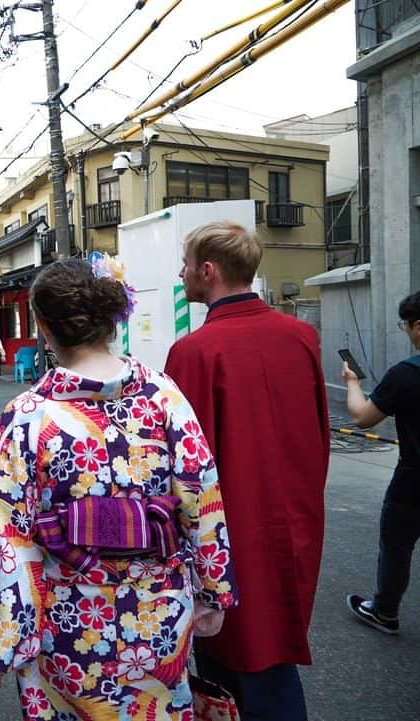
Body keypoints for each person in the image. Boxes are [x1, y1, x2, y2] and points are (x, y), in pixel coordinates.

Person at [0, 254, 236, 720]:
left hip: (70, 620)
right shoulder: (164, 396)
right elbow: (202, 498)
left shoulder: (26, 416)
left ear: (42, 324)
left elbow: (6, 542)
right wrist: (214, 591)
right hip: (157, 613)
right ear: (110, 316)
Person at [164, 221, 328, 720]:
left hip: (228, 531)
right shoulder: (301, 336)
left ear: (208, 271)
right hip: (294, 516)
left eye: (187, 264)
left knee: (231, 662)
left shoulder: (194, 352)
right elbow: (319, 436)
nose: (182, 272)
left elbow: (184, 473)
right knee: (275, 643)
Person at [343, 291, 420, 634]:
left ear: (417, 326)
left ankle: (385, 612)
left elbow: (363, 417)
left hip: (413, 482)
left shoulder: (405, 374)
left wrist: (352, 383)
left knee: (397, 545)